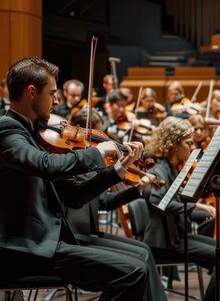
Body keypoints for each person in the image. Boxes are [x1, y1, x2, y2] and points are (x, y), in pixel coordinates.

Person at [0, 56, 148, 299]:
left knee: (138, 263)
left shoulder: (37, 135)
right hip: (23, 250)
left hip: (48, 244)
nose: (56, 101)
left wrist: (118, 170)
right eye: (52, 93)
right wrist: (96, 153)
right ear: (31, 92)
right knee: (132, 271)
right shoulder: (7, 129)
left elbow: (75, 196)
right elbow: (45, 165)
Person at [65, 108, 168, 301]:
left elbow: (105, 202)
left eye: (101, 138)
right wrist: (115, 168)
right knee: (139, 261)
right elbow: (78, 196)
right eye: (96, 137)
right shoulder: (72, 163)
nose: (101, 144)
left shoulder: (92, 167)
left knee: (143, 250)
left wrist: (136, 189)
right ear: (79, 133)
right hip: (76, 236)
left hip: (89, 233)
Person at [141, 116, 220, 301]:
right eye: (188, 143)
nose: (192, 147)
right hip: (163, 242)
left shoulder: (172, 169)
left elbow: (184, 198)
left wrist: (210, 196)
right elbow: (159, 203)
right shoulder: (159, 170)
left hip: (177, 236)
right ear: (173, 144)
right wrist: (198, 205)